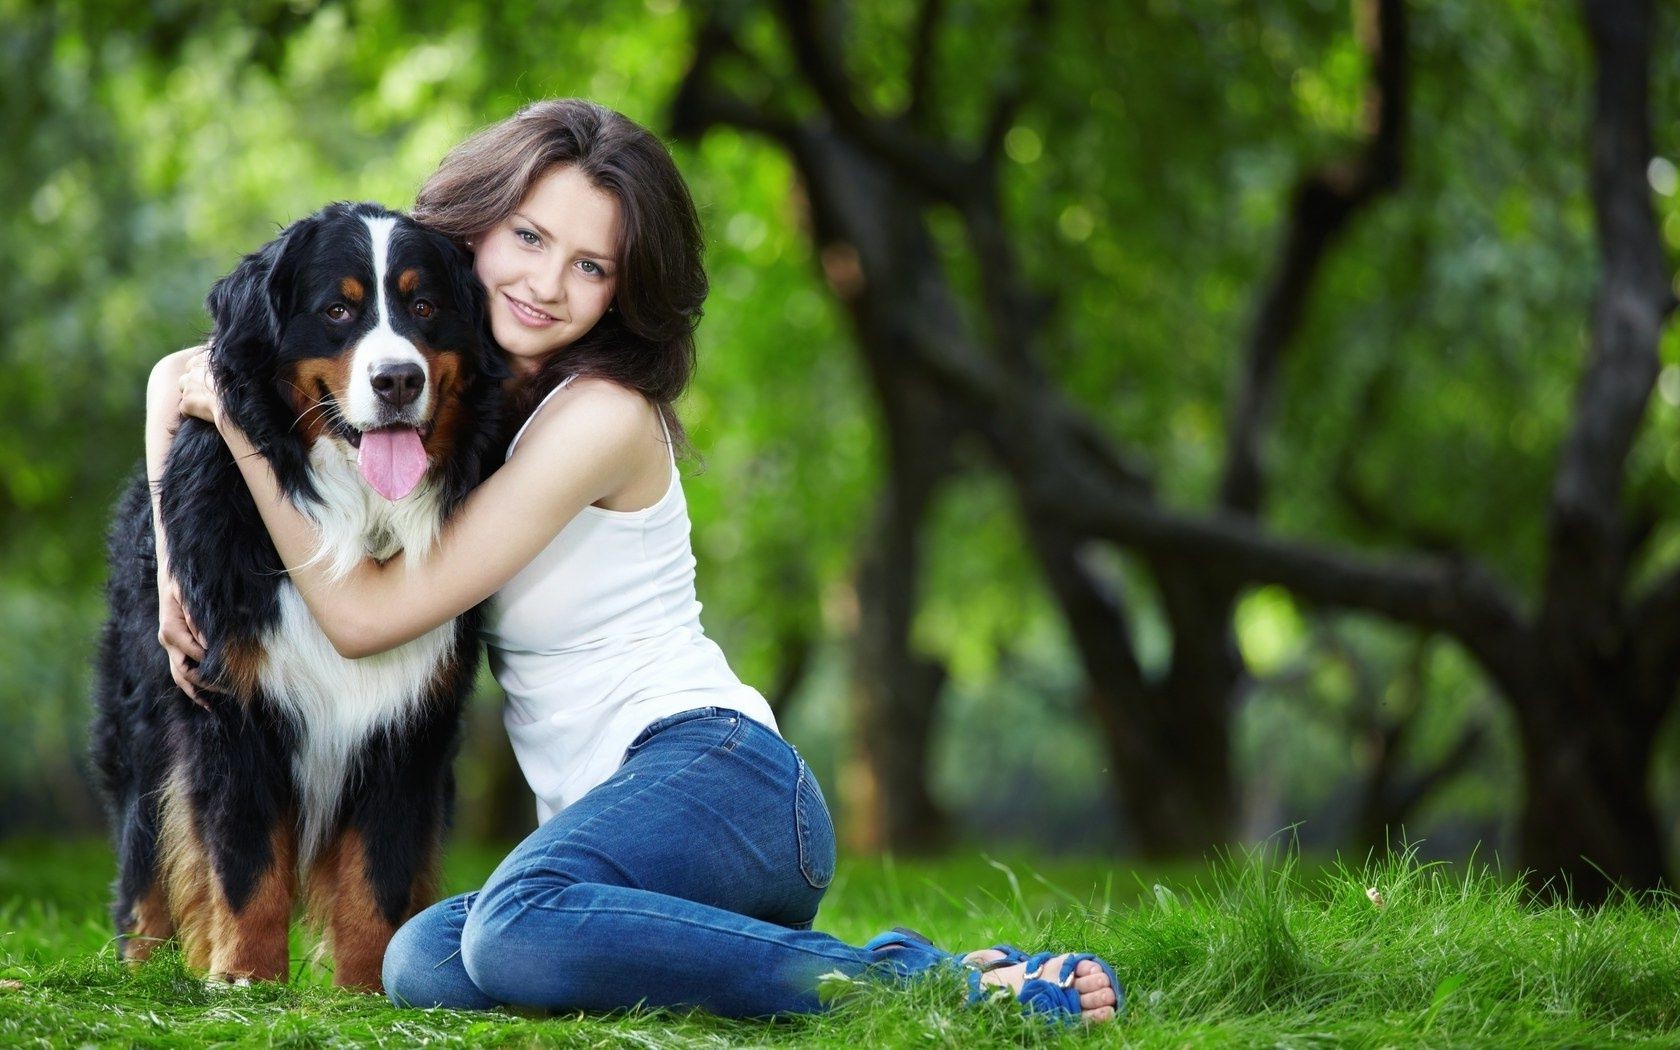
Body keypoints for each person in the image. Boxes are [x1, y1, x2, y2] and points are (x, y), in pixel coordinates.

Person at [149, 98, 1119, 1023]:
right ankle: (712, 952)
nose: (545, 283)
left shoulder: (602, 416)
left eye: (591, 266)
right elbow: (177, 374)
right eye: (529, 239)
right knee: (422, 961)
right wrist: (168, 570)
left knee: (516, 932)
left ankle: (927, 981)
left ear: (624, 291)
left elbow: (361, 619)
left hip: (720, 776)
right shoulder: (466, 399)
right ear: (476, 228)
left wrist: (235, 428)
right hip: (619, 831)